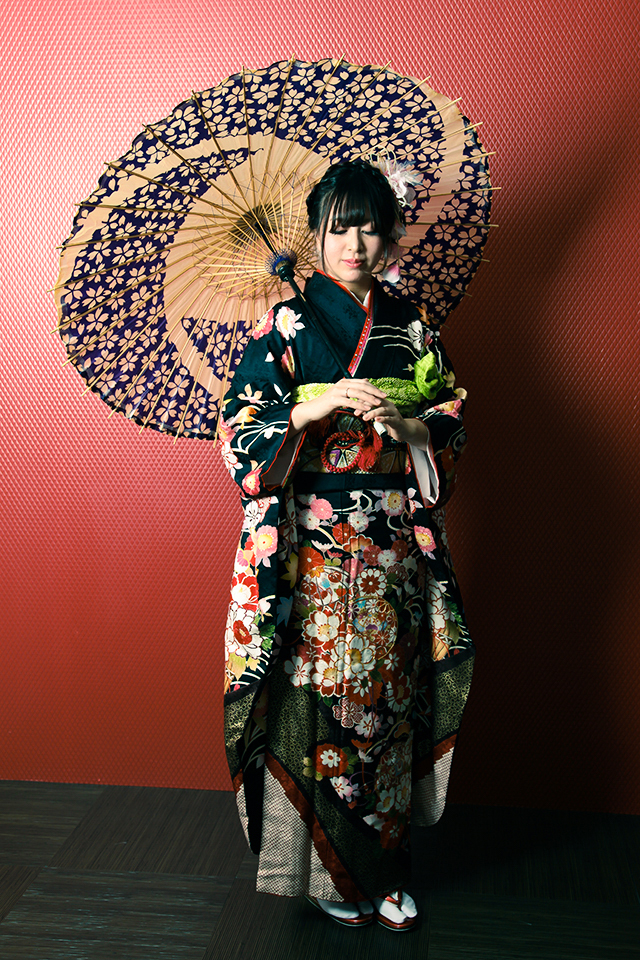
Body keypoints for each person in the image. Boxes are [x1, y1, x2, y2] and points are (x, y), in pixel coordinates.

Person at [219, 160, 474, 931]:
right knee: (317, 706)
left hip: (393, 545)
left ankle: (386, 869)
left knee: (388, 702)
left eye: (369, 228)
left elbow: (452, 410)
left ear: (389, 236)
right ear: (315, 236)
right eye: (338, 229)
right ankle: (327, 873)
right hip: (313, 552)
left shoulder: (412, 325)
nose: (354, 245)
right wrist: (309, 410)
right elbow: (239, 429)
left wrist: (415, 427)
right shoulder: (285, 326)